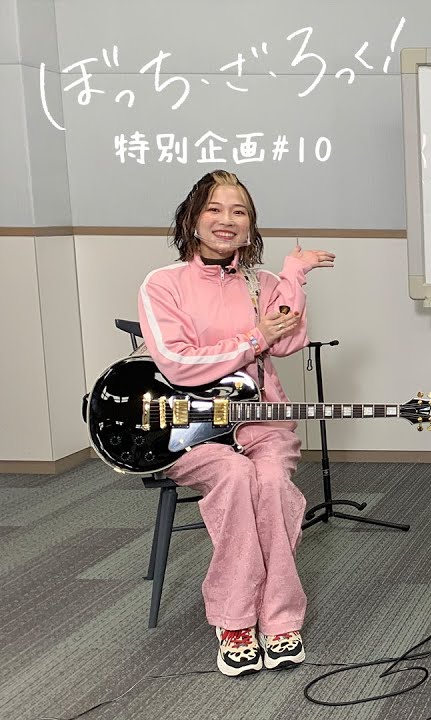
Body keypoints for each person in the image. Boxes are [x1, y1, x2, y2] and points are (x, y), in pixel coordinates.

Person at [137, 170, 335, 676]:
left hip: (261, 421)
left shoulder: (261, 284)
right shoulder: (163, 285)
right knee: (235, 475)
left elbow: (289, 341)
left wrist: (293, 275)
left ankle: (279, 616)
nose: (226, 220)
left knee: (272, 483)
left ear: (250, 227)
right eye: (214, 209)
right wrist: (252, 340)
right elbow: (178, 364)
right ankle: (236, 619)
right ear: (192, 218)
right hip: (189, 429)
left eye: (239, 212)